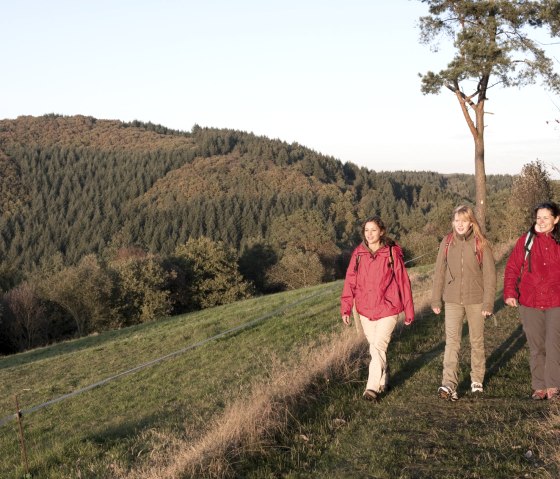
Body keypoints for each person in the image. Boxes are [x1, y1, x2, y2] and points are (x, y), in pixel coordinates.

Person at [340, 215, 414, 401]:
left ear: (381, 231)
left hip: (388, 308)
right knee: (375, 349)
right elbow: (350, 281)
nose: (370, 234)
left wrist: (409, 309)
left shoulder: (391, 253)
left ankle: (371, 388)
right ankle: (383, 376)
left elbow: (403, 282)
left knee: (378, 347)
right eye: (366, 230)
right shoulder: (358, 254)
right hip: (365, 310)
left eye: (374, 230)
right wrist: (346, 307)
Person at [431, 205, 496, 401]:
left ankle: (477, 379)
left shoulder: (481, 243)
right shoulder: (447, 242)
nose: (460, 224)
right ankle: (449, 383)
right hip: (452, 300)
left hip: (476, 300)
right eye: (456, 221)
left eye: (464, 220)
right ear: (453, 222)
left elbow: (490, 275)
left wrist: (488, 303)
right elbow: (439, 272)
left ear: (471, 222)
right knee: (452, 343)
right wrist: (436, 299)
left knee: (476, 341)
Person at [504, 201, 560, 401]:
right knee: (537, 346)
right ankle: (539, 386)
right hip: (530, 300)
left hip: (557, 300)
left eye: (546, 217)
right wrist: (510, 292)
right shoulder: (526, 241)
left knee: (554, 343)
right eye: (539, 217)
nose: (542, 221)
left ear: (556, 219)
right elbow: (512, 267)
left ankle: (554, 386)